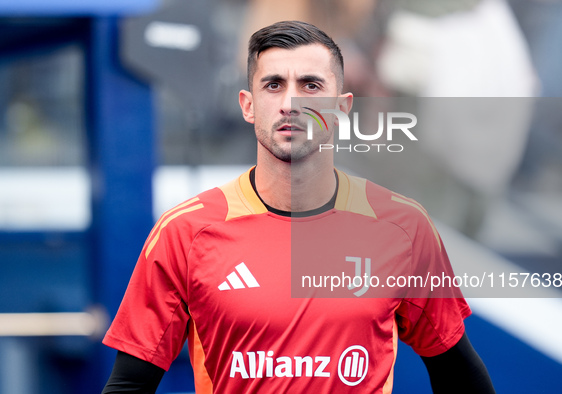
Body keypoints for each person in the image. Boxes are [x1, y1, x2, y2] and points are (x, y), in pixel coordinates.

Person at [102, 20, 495, 393]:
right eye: (273, 85)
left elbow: (457, 372)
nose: (291, 102)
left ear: (342, 107)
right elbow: (129, 385)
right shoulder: (185, 232)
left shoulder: (402, 227)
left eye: (310, 85)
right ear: (248, 105)